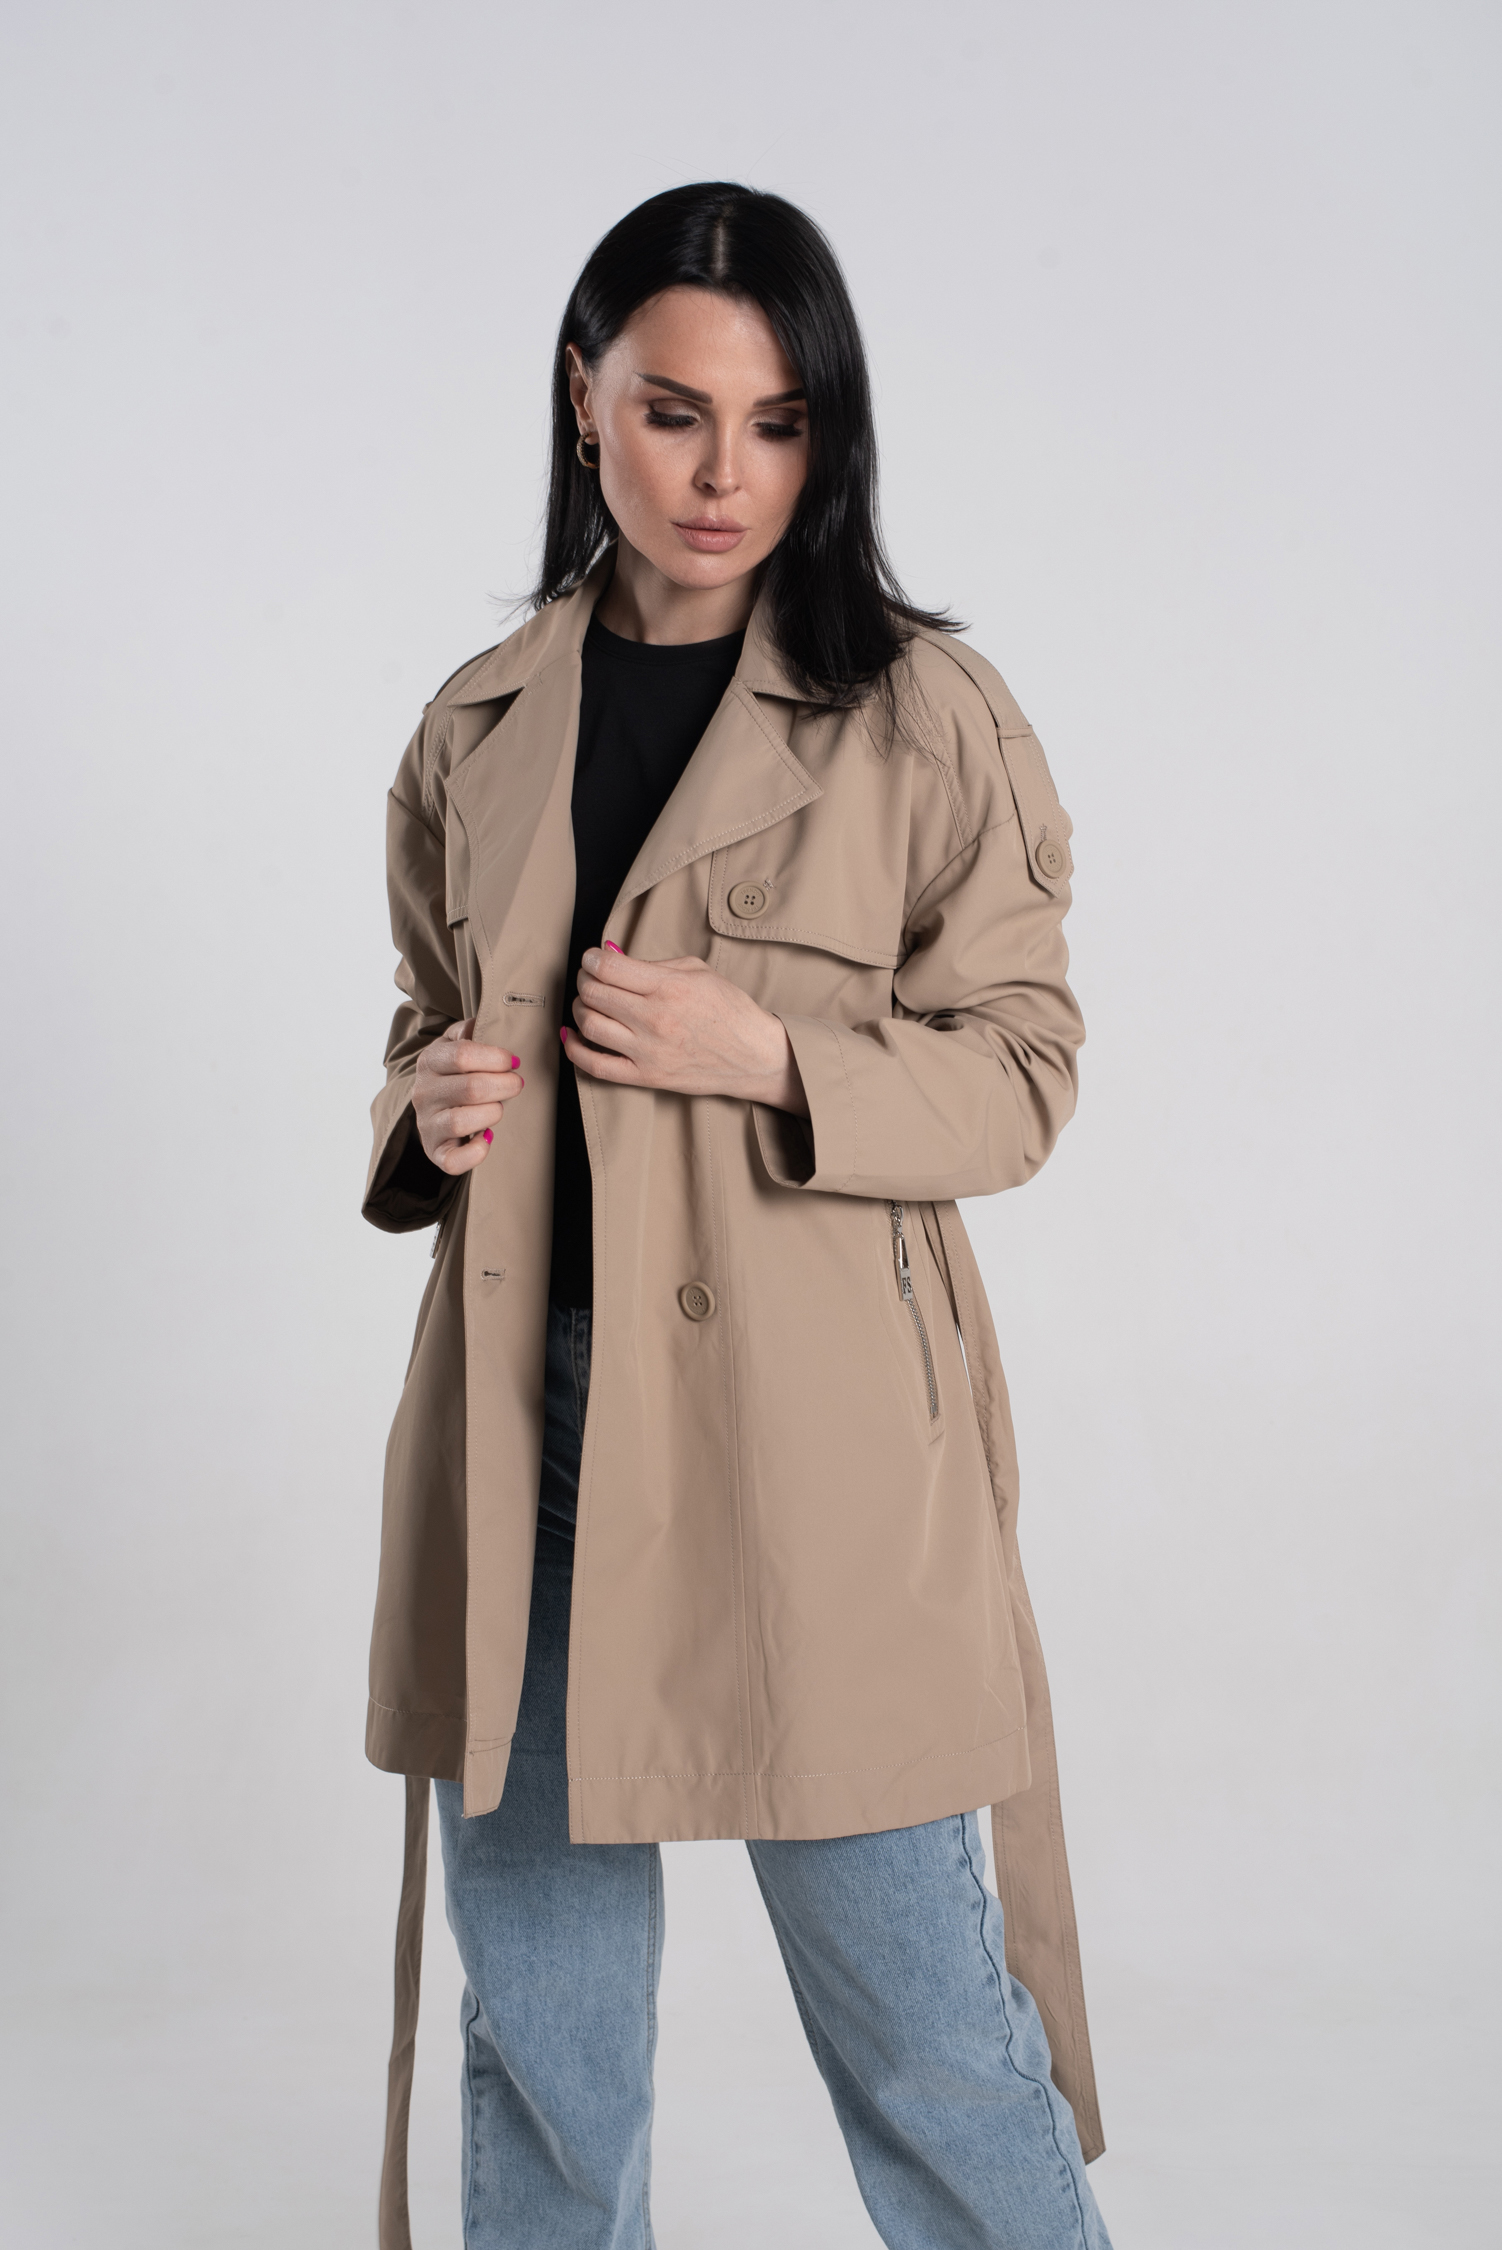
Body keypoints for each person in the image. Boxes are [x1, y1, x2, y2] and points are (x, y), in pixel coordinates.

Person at [362, 181, 1111, 2250]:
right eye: (674, 412)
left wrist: (773, 1052)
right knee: (546, 2039)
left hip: (815, 1447)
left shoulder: (925, 714)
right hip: (527, 1433)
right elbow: (422, 1023)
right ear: (580, 400)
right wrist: (426, 1104)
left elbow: (1025, 1070)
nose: (724, 475)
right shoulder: (477, 725)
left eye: (779, 423)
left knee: (927, 2029)